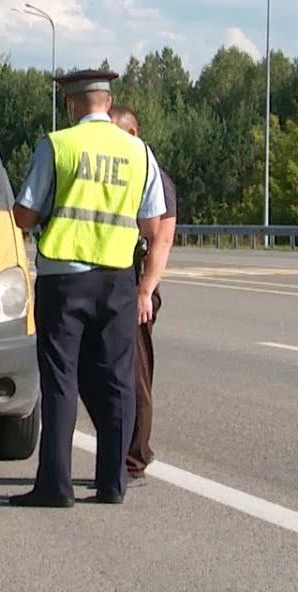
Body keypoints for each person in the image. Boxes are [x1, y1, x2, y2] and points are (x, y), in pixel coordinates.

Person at [9, 69, 167, 508]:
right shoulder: (138, 151)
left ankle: (55, 487)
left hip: (65, 279)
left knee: (61, 381)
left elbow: (25, 213)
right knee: (117, 380)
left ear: (71, 104)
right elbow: (152, 223)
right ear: (107, 101)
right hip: (117, 279)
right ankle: (113, 483)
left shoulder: (59, 145)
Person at [84, 105, 177, 484]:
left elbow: (162, 239)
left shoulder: (153, 176)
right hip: (108, 285)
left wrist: (145, 292)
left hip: (136, 289)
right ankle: (121, 446)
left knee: (134, 375)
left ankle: (134, 458)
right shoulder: (121, 173)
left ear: (134, 135)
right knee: (99, 372)